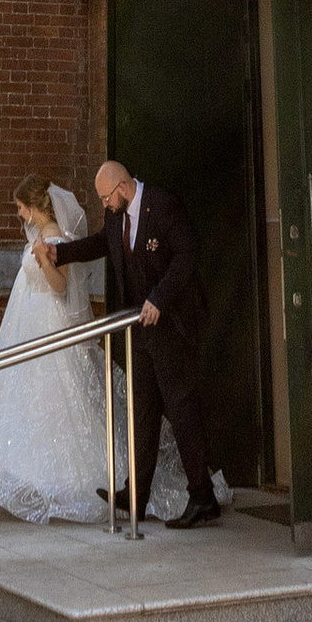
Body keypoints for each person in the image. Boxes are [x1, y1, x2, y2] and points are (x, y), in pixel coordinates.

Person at [45, 156, 220, 530]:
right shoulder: (115, 216)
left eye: (106, 197)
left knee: (182, 409)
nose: (104, 205)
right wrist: (62, 253)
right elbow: (101, 244)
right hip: (139, 329)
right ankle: (135, 496)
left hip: (172, 325)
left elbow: (187, 256)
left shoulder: (165, 206)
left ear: (123, 187)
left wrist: (160, 298)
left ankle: (203, 497)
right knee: (142, 413)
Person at [0, 179, 111, 522]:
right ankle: (28, 478)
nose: (19, 214)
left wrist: (45, 260)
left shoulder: (55, 238)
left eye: (20, 207)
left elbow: (60, 287)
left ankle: (59, 482)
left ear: (33, 207)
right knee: (25, 399)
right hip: (25, 323)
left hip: (47, 321)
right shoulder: (38, 235)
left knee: (53, 399)